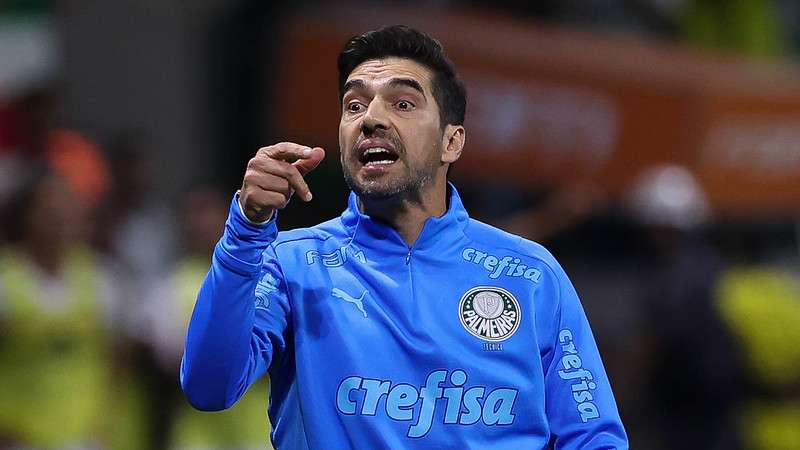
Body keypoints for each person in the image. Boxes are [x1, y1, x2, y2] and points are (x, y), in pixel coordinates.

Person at [181, 25, 627, 449]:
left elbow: (593, 438)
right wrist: (246, 232)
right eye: (353, 106)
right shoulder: (293, 265)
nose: (370, 118)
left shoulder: (530, 275)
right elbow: (209, 386)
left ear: (451, 143)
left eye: (403, 104)